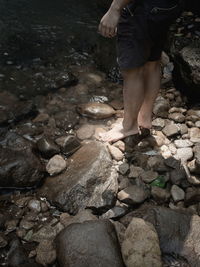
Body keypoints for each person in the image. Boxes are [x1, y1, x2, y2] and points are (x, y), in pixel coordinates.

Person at [98, 0, 183, 148]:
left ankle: (128, 126)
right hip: (168, 6)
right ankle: (144, 118)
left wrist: (115, 8)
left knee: (132, 70)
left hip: (142, 8)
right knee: (152, 61)